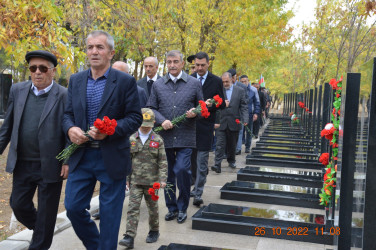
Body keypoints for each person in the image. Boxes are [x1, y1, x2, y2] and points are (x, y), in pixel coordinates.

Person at [63, 30, 142, 250]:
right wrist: (70, 129)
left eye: (100, 47)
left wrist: (111, 130)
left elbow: (135, 117)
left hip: (112, 155)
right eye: (90, 47)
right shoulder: (76, 80)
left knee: (109, 215)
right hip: (82, 155)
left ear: (111, 52)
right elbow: (67, 114)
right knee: (73, 207)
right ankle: (97, 246)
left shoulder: (125, 81)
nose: (94, 51)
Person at [0, 50, 68, 250]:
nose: (37, 72)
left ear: (52, 71)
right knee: (18, 204)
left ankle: (40, 240)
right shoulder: (18, 90)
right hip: (22, 162)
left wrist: (67, 160)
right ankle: (43, 229)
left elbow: (69, 130)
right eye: (33, 68)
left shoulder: (64, 95)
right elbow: (8, 126)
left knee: (47, 212)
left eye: (43, 68)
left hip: (51, 164)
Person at [147, 50, 204, 224]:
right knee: (168, 175)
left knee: (181, 170)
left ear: (182, 64)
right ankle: (171, 208)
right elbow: (151, 108)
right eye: (169, 62)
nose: (172, 65)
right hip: (165, 137)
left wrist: (195, 113)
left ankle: (182, 207)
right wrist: (161, 120)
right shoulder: (158, 85)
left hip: (186, 136)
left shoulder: (194, 83)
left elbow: (202, 108)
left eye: (175, 62)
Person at [119, 108, 167, 248]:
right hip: (135, 181)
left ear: (153, 123)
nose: (145, 128)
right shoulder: (132, 139)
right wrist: (126, 179)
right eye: (143, 124)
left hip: (152, 183)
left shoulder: (158, 140)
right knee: (133, 208)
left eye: (148, 125)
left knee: (153, 209)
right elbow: (127, 161)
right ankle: (129, 236)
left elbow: (163, 161)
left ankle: (154, 230)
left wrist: (162, 179)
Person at [190, 52, 225, 207]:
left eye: (202, 65)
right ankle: (191, 187)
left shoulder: (216, 81)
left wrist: (213, 104)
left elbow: (222, 103)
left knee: (202, 162)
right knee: (190, 162)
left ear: (208, 64)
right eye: (197, 65)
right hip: (189, 127)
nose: (199, 68)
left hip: (205, 127)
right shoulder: (189, 79)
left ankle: (198, 193)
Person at [211, 72, 248, 173]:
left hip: (234, 121)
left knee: (232, 144)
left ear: (232, 79)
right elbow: (214, 106)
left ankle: (231, 160)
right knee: (219, 144)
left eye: (227, 81)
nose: (225, 84)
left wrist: (245, 119)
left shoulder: (240, 91)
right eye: (223, 82)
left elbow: (244, 106)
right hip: (221, 122)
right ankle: (217, 165)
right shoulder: (218, 91)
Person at [227, 69, 249, 155]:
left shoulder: (242, 86)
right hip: (228, 114)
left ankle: (238, 149)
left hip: (238, 113)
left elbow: (246, 100)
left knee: (239, 132)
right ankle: (229, 150)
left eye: (232, 77)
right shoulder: (225, 85)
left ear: (235, 77)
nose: (231, 79)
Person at [240, 75, 260, 153]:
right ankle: (238, 148)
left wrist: (256, 113)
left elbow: (257, 102)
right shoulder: (238, 89)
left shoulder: (253, 90)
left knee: (249, 131)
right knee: (240, 131)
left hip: (250, 113)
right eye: (242, 81)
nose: (244, 83)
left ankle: (247, 147)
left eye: (245, 81)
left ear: (248, 81)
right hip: (240, 113)